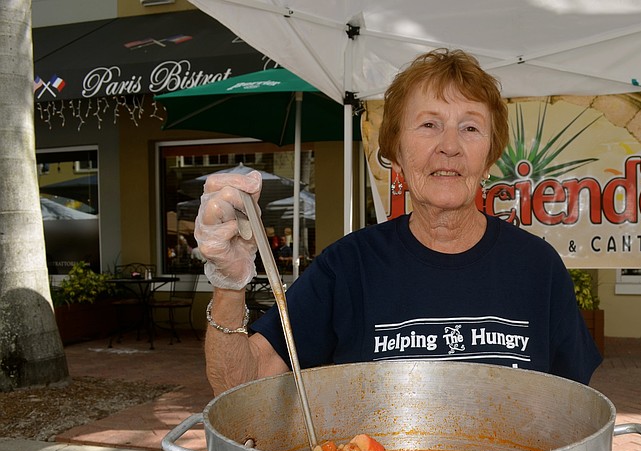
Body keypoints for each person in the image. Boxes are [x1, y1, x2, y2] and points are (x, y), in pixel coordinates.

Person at [195, 49, 601, 396]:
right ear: (396, 153)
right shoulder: (348, 267)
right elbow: (239, 388)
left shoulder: (537, 267)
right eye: (429, 125)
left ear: (490, 158)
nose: (449, 146)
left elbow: (574, 410)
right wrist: (229, 286)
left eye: (470, 127)